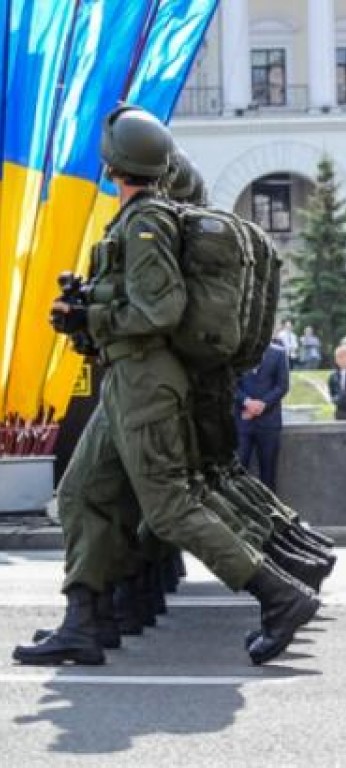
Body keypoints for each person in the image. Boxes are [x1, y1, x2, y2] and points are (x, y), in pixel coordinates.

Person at [14, 104, 318, 667]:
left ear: (113, 164)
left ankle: (280, 596)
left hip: (147, 381)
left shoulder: (147, 222)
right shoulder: (138, 219)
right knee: (83, 493)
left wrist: (92, 320)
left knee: (171, 505)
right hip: (129, 376)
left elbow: (160, 308)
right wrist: (90, 315)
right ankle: (85, 619)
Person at [236, 339, 290, 492]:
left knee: (268, 474)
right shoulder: (238, 352)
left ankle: (270, 514)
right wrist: (247, 402)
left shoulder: (279, 353)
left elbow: (282, 386)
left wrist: (262, 405)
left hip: (269, 423)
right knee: (237, 473)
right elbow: (230, 383)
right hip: (243, 422)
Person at [328, 344, 346, 420]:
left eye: (344, 356)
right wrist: (337, 399)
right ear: (336, 360)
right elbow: (332, 393)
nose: (342, 359)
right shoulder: (333, 376)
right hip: (340, 412)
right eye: (339, 357)